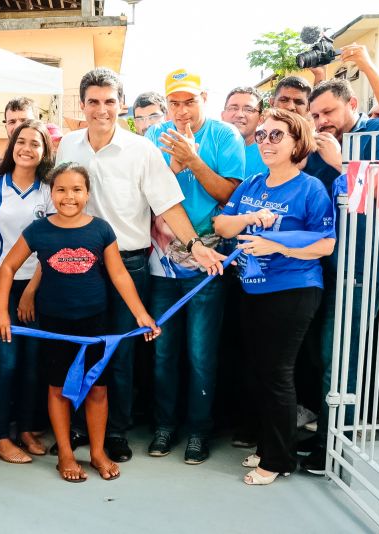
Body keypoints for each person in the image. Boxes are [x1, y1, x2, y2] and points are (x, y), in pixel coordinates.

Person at [56, 67, 224, 463]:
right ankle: (81, 425)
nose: (102, 110)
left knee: (120, 353)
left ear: (122, 106)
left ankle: (116, 432)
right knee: (81, 347)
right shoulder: (67, 147)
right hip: (77, 263)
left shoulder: (142, 150)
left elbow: (168, 204)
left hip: (128, 264)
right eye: (93, 102)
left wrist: (196, 245)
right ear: (82, 106)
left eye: (110, 101)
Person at [0, 162, 161, 482]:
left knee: (98, 389)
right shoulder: (39, 230)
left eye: (76, 190)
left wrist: (141, 313)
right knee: (58, 389)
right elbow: (8, 266)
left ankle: (97, 452)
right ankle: (66, 454)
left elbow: (119, 274)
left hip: (95, 322)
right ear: (51, 193)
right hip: (54, 323)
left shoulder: (100, 229)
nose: (68, 196)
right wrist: (1, 311)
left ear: (87, 194)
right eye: (61, 190)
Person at [216, 108, 336, 485]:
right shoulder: (252, 183)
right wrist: (253, 220)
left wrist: (277, 246)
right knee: (259, 372)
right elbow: (222, 223)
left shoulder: (311, 188)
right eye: (263, 135)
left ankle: (280, 459)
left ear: (297, 143)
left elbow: (326, 244)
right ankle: (271, 448)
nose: (266, 142)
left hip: (293, 290)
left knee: (277, 374)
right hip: (252, 289)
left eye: (276, 136)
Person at [301, 78, 379, 474]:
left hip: (363, 270)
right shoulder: (318, 142)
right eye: (314, 115)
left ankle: (336, 446)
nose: (321, 121)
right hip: (322, 268)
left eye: (328, 112)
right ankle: (325, 434)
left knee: (340, 358)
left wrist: (342, 163)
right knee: (318, 356)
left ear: (351, 103)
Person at [143, 68, 244, 464]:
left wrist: (193, 161)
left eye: (189, 101)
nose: (182, 110)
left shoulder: (224, 136)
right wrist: (173, 164)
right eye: (175, 102)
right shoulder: (154, 135)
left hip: (210, 257)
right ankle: (165, 426)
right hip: (162, 259)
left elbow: (230, 195)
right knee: (164, 351)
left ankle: (199, 431)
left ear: (204, 97)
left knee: (202, 353)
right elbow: (151, 194)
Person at [0, 119, 54, 464]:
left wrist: (30, 291)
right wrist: (0, 292)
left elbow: (50, 244)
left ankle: (26, 428)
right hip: (1, 283)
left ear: (43, 151)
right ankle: (0, 436)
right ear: (13, 146)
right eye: (21, 142)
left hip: (37, 284)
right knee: (6, 362)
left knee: (32, 363)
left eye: (34, 144)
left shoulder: (48, 190)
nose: (26, 148)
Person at [221, 86, 267, 179]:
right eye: (233, 108)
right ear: (223, 115)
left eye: (249, 109)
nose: (239, 115)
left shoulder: (269, 153)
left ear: (261, 119)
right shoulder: (209, 148)